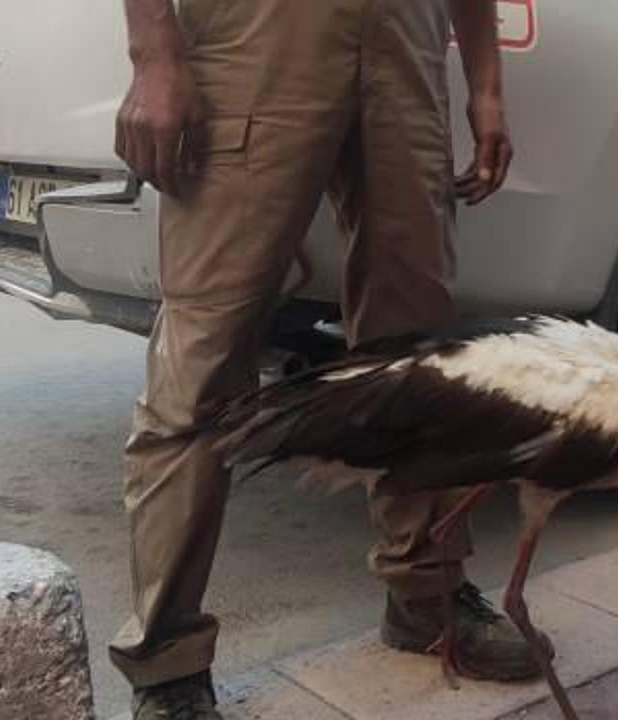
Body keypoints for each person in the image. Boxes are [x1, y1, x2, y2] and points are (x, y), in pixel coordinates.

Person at [109, 1, 531, 717]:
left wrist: (486, 87)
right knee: (205, 352)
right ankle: (167, 661)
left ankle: (425, 597)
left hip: (407, 45)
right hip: (258, 39)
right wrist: (154, 54)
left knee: (416, 350)